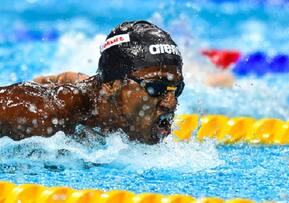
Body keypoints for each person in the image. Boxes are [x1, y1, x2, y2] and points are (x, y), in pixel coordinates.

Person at [0, 20, 184, 145]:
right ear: (112, 84)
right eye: (155, 88)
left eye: (177, 89)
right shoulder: (43, 114)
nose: (171, 103)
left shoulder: (114, 101)